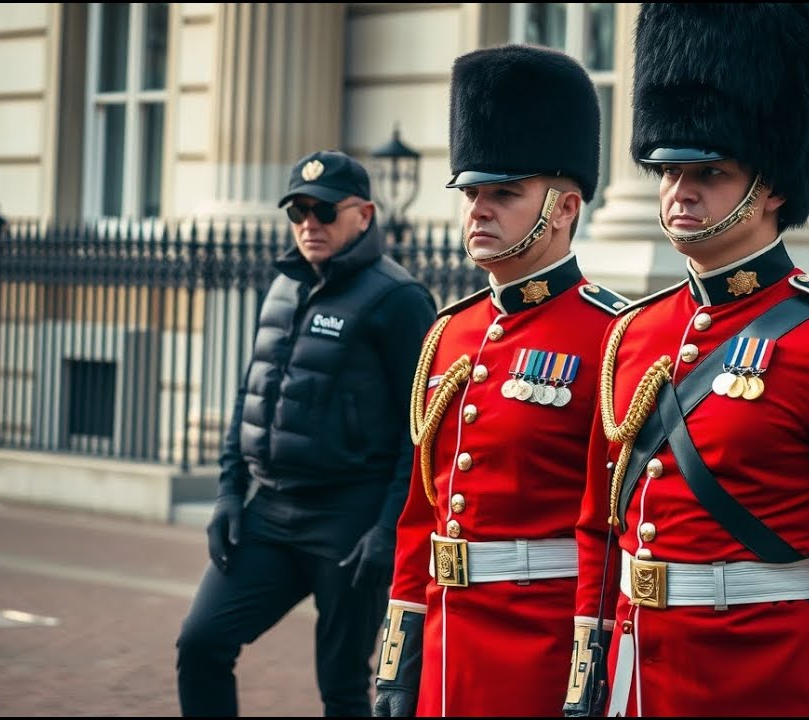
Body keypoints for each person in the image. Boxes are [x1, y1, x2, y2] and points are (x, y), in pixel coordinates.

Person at [560, 5, 809, 717]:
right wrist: (589, 669)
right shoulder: (635, 333)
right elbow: (604, 525)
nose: (678, 190)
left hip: (766, 680)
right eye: (667, 169)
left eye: (707, 171)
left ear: (771, 185)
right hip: (637, 678)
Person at [371, 44, 630, 717]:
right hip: (445, 635)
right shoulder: (449, 333)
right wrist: (398, 664)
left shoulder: (611, 336)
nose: (479, 210)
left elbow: (609, 530)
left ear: (565, 208)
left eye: (504, 193)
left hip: (536, 649)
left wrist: (588, 677)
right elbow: (418, 518)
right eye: (473, 193)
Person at [174, 150, 437, 717]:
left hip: (349, 520)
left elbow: (417, 433)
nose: (308, 225)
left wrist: (389, 529)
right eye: (297, 211)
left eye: (323, 211)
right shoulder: (284, 286)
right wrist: (227, 495)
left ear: (364, 214)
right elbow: (251, 397)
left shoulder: (399, 300)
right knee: (201, 643)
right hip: (270, 513)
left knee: (342, 687)